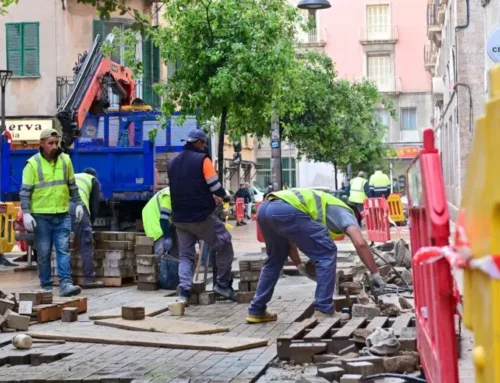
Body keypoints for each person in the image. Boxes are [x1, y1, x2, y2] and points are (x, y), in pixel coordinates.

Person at [246, 188, 384, 323]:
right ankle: (324, 310)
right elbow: (360, 243)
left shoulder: (319, 210)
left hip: (264, 209)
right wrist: (375, 274)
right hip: (286, 209)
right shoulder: (346, 212)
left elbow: (290, 243)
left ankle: (256, 311)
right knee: (327, 253)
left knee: (274, 260)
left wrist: (300, 267)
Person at [167, 129, 235, 303]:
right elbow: (214, 186)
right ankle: (222, 284)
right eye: (204, 143)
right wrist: (225, 194)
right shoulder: (203, 160)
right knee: (225, 243)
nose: (204, 147)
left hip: (179, 218)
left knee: (186, 255)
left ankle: (183, 292)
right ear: (198, 143)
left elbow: (186, 186)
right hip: (200, 216)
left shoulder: (173, 162)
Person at [20, 129, 84, 296]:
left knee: (63, 250)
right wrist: (26, 212)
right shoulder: (32, 164)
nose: (55, 146)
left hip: (62, 214)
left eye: (56, 143)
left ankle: (65, 284)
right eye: (51, 143)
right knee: (44, 253)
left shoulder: (65, 160)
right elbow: (25, 192)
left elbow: (72, 186)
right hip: (41, 217)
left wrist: (78, 203)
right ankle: (46, 286)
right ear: (42, 144)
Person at [71, 167, 104, 288]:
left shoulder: (74, 176)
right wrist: (90, 223)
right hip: (77, 208)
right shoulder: (93, 180)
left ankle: (65, 280)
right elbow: (94, 206)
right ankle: (89, 279)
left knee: (64, 245)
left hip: (61, 208)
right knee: (86, 243)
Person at [142, 187, 175, 257]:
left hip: (159, 217)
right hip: (153, 219)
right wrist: (168, 237)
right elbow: (163, 220)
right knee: (160, 251)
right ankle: (159, 264)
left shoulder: (175, 192)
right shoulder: (168, 196)